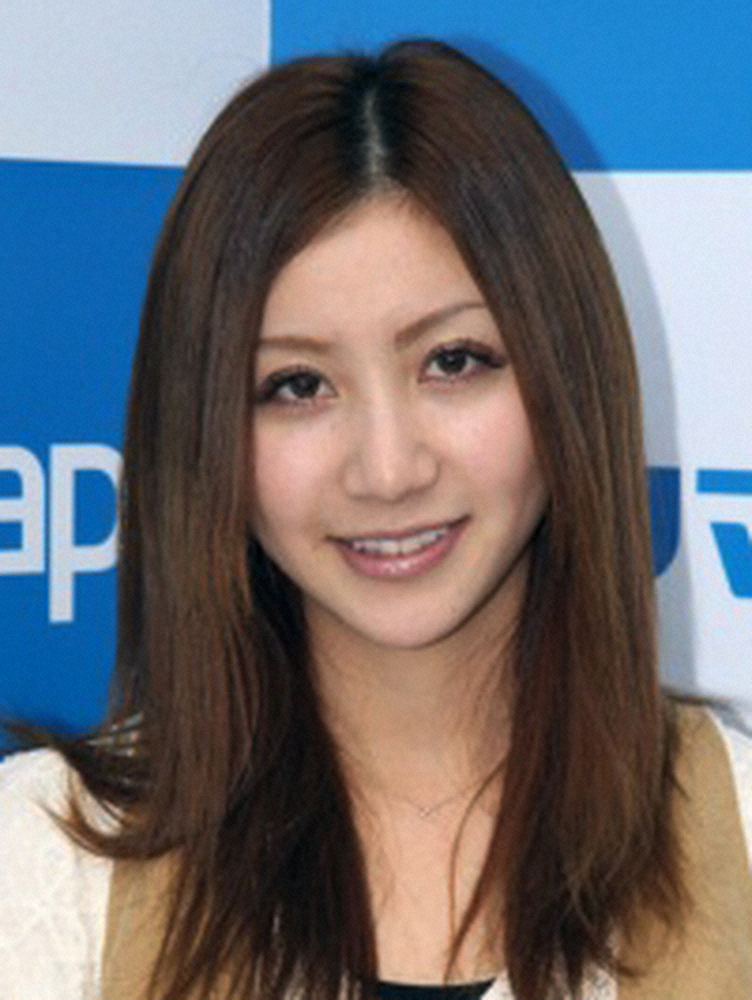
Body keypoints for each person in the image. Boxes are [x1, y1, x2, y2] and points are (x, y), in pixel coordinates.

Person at [0, 39, 750, 1000]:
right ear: (204, 432)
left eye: (453, 362)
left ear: (566, 375)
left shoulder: (739, 829)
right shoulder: (47, 866)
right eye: (297, 384)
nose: (389, 471)